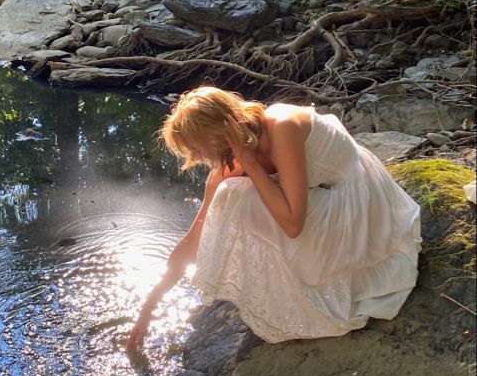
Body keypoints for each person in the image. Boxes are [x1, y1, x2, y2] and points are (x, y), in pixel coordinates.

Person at [126, 85, 421, 352]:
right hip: (323, 204)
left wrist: (251, 163)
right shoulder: (230, 162)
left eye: (197, 148)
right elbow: (195, 239)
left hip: (357, 202)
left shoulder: (281, 126)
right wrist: (147, 311)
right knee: (224, 193)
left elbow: (293, 224)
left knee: (232, 194)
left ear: (218, 135)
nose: (196, 157)